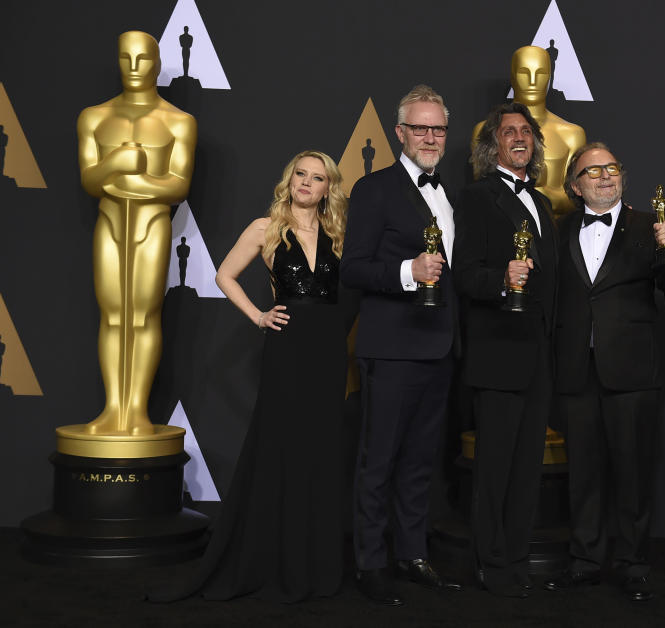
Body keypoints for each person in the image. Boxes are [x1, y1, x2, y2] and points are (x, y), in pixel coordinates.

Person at [147, 150, 352, 602]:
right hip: (288, 346)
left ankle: (314, 561)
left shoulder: (338, 233)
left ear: (327, 189)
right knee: (281, 443)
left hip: (329, 351)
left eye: (317, 178)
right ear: (290, 179)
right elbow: (224, 275)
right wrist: (259, 316)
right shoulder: (266, 228)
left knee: (320, 449)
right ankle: (272, 556)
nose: (305, 183)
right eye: (300, 174)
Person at [340, 85, 460, 606]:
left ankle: (412, 554)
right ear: (400, 133)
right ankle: (370, 563)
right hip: (390, 348)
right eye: (421, 128)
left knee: (419, 462)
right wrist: (409, 271)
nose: (430, 137)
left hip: (439, 347)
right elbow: (354, 268)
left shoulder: (448, 190)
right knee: (378, 461)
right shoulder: (374, 189)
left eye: (438, 129)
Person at [545, 142, 665, 601]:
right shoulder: (557, 231)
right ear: (575, 186)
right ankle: (584, 561)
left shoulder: (653, 226)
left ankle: (633, 563)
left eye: (612, 168)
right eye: (593, 171)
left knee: (633, 473)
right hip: (577, 370)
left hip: (633, 370)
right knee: (582, 472)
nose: (605, 176)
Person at [454, 102, 557, 598]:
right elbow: (463, 272)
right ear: (492, 145)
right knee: (494, 469)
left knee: (526, 469)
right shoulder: (475, 198)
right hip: (496, 355)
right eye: (508, 132)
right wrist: (502, 281)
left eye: (525, 132)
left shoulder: (541, 202)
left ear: (535, 143)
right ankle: (490, 565)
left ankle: (517, 562)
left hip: (538, 355)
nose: (519, 138)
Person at [77, 30, 196, 435]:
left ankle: (137, 411)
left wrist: (123, 181)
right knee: (112, 315)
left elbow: (178, 186)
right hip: (109, 222)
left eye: (142, 59)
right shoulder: (94, 117)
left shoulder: (178, 121)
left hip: (151, 225)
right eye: (125, 58)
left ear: (158, 64)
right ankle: (113, 409)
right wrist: (120, 163)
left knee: (143, 315)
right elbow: (90, 180)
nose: (133, 67)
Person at [471, 46, 585, 217]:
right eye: (524, 73)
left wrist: (545, 196)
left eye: (540, 73)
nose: (532, 81)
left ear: (550, 77)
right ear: (512, 76)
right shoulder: (484, 130)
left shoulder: (571, 135)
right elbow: (480, 195)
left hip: (556, 236)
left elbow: (578, 198)